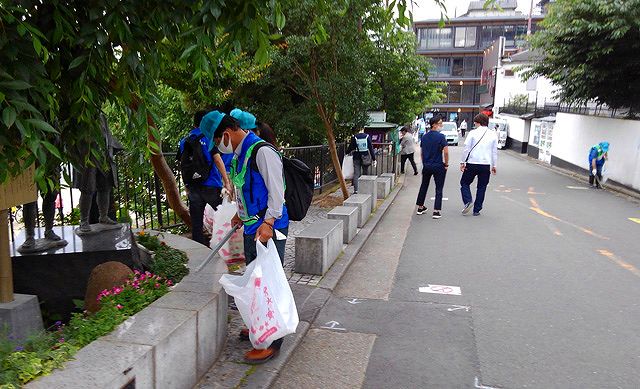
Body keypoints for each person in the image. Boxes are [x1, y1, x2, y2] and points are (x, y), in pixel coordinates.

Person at [202, 110, 289, 364]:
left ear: (226, 134)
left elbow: (277, 194)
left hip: (268, 230)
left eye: (218, 141)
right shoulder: (240, 156)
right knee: (255, 282)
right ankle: (259, 326)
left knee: (268, 284)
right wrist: (241, 214)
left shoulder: (262, 152)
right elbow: (244, 188)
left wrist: (269, 224)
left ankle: (272, 341)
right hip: (253, 228)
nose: (219, 147)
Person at [178, 110, 232, 246]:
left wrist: (187, 186)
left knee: (196, 225)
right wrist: (226, 182)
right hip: (211, 184)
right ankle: (231, 246)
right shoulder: (208, 138)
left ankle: (200, 253)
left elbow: (183, 164)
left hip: (193, 187)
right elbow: (217, 159)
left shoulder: (184, 141)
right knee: (226, 215)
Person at [459, 113, 498, 216]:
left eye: (475, 122)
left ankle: (468, 200)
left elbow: (466, 149)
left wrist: (463, 162)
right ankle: (477, 210)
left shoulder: (472, 133)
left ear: (479, 123)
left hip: (472, 163)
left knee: (464, 183)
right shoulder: (493, 134)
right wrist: (494, 165)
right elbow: (494, 152)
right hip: (486, 164)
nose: (475, 124)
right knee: (482, 187)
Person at [416, 116, 449, 219]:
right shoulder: (441, 137)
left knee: (424, 185)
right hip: (438, 165)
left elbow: (422, 152)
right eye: (440, 123)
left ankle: (420, 207)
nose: (441, 126)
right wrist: (446, 164)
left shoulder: (424, 137)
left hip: (427, 165)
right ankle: (436, 211)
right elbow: (446, 152)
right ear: (434, 124)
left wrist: (424, 162)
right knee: (439, 188)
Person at [346, 128, 375, 194]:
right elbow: (371, 148)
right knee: (365, 172)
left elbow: (351, 147)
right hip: (365, 157)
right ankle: (365, 188)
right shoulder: (367, 136)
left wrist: (346, 152)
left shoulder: (354, 137)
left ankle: (356, 190)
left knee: (356, 174)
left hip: (356, 157)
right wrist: (374, 159)